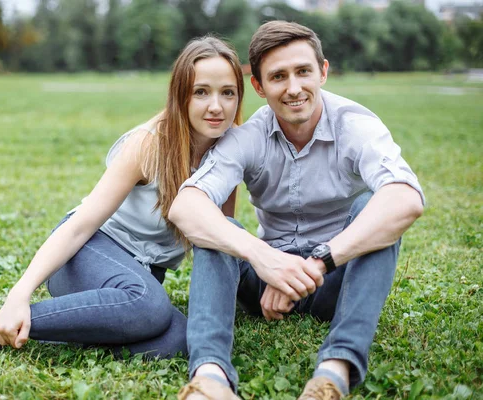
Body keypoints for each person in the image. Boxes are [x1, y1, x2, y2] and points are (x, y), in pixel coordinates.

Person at [0, 36, 245, 365]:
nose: (216, 106)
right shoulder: (148, 144)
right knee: (148, 306)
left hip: (138, 278)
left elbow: (216, 239)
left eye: (227, 93)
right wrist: (20, 293)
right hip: (87, 253)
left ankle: (91, 322)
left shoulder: (229, 157)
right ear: (180, 95)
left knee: (181, 340)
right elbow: (80, 226)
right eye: (201, 92)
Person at [171, 21, 424, 400]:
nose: (293, 88)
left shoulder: (355, 125)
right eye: (278, 76)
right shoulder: (249, 137)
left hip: (335, 278)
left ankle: (332, 373)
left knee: (375, 207)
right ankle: (209, 378)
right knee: (216, 224)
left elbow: (406, 198)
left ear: (322, 71)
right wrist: (266, 260)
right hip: (262, 283)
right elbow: (186, 205)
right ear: (258, 86)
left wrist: (319, 262)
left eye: (303, 71)